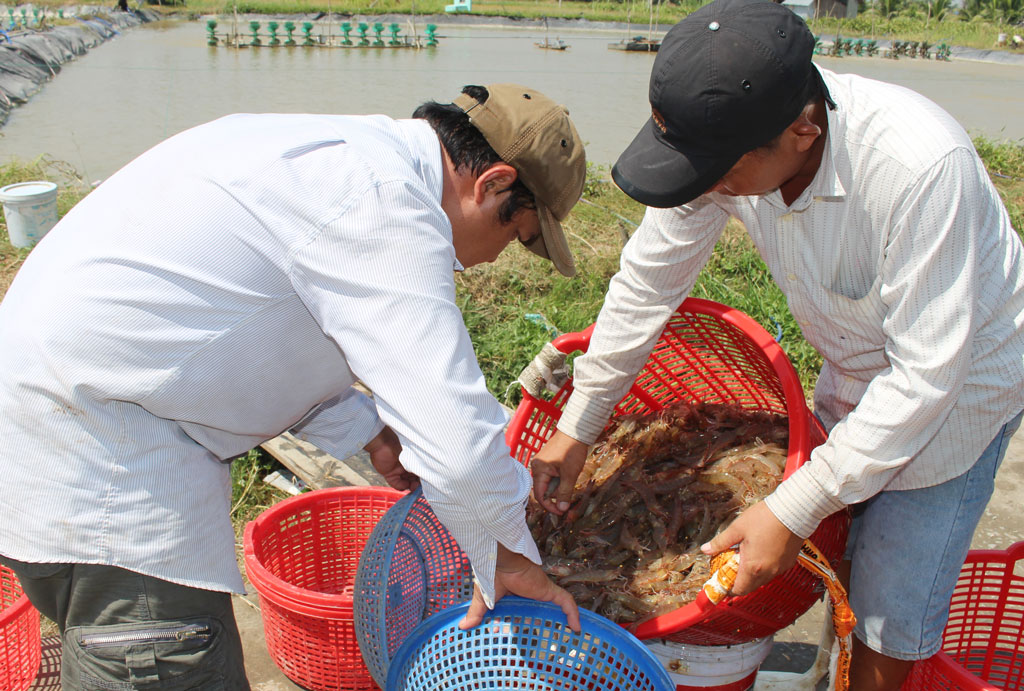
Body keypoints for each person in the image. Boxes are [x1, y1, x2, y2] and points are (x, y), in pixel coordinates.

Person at [0, 83, 585, 690]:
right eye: (514, 236)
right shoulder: (383, 203)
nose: (493, 259)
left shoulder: (339, 157)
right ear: (492, 184)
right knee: (165, 661)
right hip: (102, 476)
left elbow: (255, 328)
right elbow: (458, 442)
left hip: (50, 430)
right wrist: (509, 556)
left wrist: (373, 431)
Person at [529, 1, 1024, 689]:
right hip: (858, 364)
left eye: (718, 171)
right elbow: (647, 286)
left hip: (959, 388)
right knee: (845, 551)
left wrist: (788, 508)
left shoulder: (918, 170)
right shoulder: (728, 138)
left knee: (890, 606)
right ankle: (835, 666)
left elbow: (924, 379)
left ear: (801, 131)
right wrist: (579, 425)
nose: (704, 188)